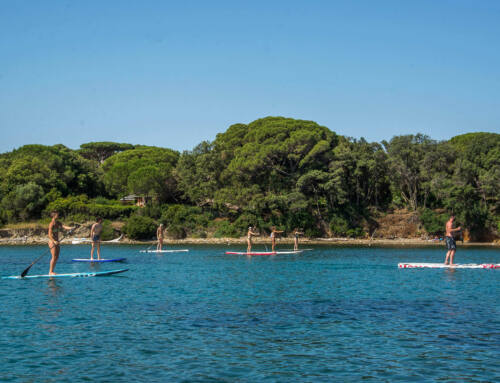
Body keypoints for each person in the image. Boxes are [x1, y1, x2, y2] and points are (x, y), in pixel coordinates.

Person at [48, 211, 74, 275]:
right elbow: (49, 234)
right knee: (54, 257)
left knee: (57, 257)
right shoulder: (51, 224)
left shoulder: (58, 223)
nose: (58, 216)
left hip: (57, 241)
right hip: (52, 241)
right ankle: (50, 272)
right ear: (54, 216)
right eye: (57, 215)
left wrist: (71, 228)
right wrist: (54, 241)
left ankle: (52, 271)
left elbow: (64, 226)